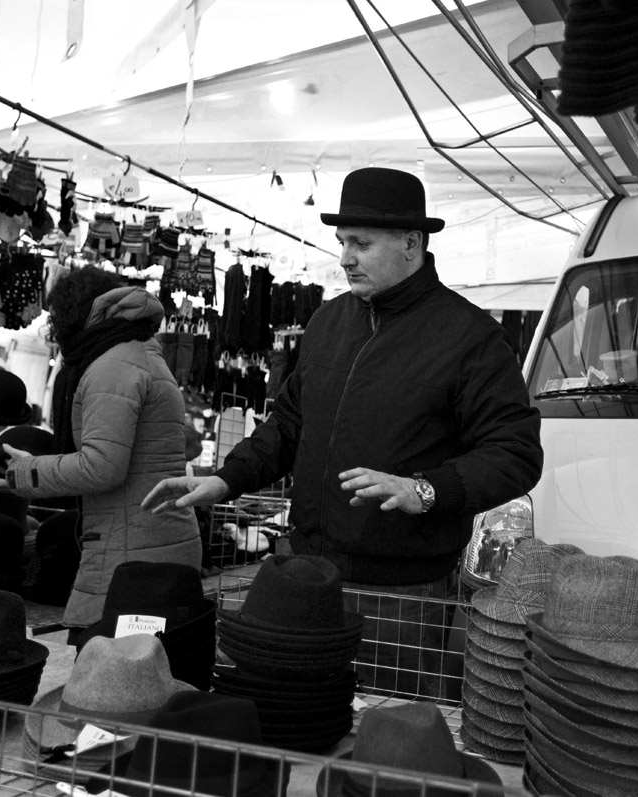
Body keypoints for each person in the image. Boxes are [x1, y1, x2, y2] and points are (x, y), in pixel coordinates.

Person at [142, 167, 543, 696]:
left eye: (361, 243)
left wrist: (424, 489)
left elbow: (515, 453)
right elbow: (288, 424)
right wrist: (225, 480)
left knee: (383, 739)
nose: (346, 257)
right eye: (342, 242)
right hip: (305, 573)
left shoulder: (471, 338)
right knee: (296, 717)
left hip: (401, 592)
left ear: (411, 243)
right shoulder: (330, 321)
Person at [2, 266, 202, 642]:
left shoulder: (112, 365)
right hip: (148, 541)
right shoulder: (138, 352)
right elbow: (178, 444)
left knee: (104, 679)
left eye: (56, 316)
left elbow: (102, 467)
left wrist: (25, 471)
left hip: (129, 552)